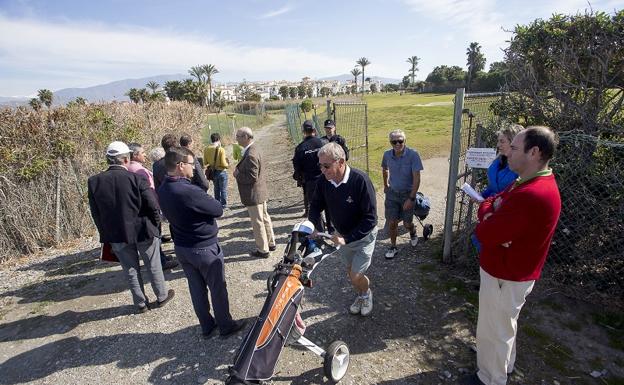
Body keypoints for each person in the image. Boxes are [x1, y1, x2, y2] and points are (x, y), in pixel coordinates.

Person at [460, 126, 561, 385]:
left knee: (493, 329)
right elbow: (491, 206)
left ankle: (490, 378)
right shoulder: (526, 182)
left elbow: (485, 231)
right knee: (505, 326)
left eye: (514, 148)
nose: (508, 153)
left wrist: (491, 210)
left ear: (534, 152)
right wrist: (492, 208)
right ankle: (506, 366)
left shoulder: (531, 194)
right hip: (511, 270)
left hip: (506, 273)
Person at [157, 146, 247, 338]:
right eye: (192, 164)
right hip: (203, 247)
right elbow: (217, 209)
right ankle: (225, 325)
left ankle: (206, 326)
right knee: (217, 288)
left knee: (196, 288)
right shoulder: (188, 190)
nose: (194, 168)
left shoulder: (163, 186)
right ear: (181, 166)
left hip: (182, 247)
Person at [88, 141, 175, 313]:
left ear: (108, 160)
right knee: (153, 265)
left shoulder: (94, 182)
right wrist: (156, 226)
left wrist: (105, 235)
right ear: (126, 159)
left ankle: (141, 303)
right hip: (144, 230)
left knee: (130, 270)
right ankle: (161, 296)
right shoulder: (137, 178)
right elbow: (152, 205)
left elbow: (96, 213)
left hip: (117, 234)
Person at [308, 142, 378, 316]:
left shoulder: (360, 180)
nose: (322, 170)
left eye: (326, 166)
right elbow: (316, 205)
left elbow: (371, 219)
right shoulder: (324, 181)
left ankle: (367, 294)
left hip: (363, 237)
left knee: (355, 275)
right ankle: (361, 294)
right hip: (342, 235)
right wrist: (313, 225)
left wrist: (346, 239)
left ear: (341, 162)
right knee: (350, 272)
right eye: (320, 165)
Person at [127, 142, 179, 271]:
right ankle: (160, 262)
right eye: (142, 152)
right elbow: (148, 190)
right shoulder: (136, 170)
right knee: (155, 234)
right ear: (135, 155)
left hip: (150, 205)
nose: (145, 154)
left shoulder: (135, 168)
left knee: (157, 234)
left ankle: (161, 257)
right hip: (149, 206)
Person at [233, 127, 276, 258]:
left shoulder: (250, 154)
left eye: (239, 136)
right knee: (264, 218)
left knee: (257, 222)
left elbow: (252, 177)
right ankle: (270, 242)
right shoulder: (255, 148)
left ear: (246, 137)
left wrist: (237, 175)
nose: (237, 138)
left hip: (253, 194)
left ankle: (263, 250)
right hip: (260, 192)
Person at [381, 129, 424, 260]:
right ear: (390, 142)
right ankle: (393, 247)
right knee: (392, 222)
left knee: (406, 224)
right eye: (394, 141)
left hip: (407, 194)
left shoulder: (413, 155)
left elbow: (417, 178)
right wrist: (385, 185)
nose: (397, 144)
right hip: (392, 194)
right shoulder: (387, 155)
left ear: (405, 141)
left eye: (400, 141)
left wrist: (411, 198)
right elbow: (384, 169)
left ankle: (413, 231)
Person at [481, 124, 524, 198]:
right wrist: (482, 195)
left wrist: (491, 199)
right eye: (498, 141)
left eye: (502, 141)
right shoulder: (497, 161)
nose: (498, 145)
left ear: (514, 142)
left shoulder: (523, 167)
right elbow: (492, 187)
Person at [292, 120, 324, 219]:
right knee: (328, 203)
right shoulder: (322, 143)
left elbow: (297, 166)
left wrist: (298, 177)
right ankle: (330, 227)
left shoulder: (300, 148)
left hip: (310, 180)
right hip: (325, 177)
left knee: (314, 205)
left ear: (303, 131)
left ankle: (318, 228)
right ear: (314, 130)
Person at [204, 133, 230, 208]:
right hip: (221, 171)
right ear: (219, 139)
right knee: (223, 189)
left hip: (213, 172)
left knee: (216, 189)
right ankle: (224, 205)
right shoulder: (221, 149)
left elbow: (205, 162)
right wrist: (227, 165)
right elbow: (223, 163)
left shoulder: (206, 149)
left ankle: (217, 205)